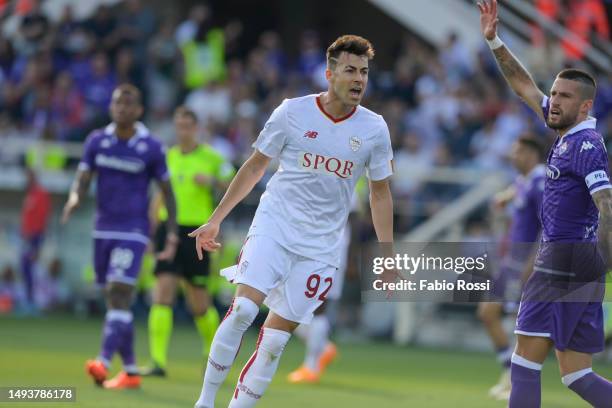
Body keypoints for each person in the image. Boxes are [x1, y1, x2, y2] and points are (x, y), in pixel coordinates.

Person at [190, 34, 394, 407]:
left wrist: (388, 253)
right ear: (330, 73)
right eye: (350, 70)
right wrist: (216, 219)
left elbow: (380, 193)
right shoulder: (292, 112)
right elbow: (255, 167)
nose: (359, 79)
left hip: (322, 246)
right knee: (244, 312)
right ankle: (205, 401)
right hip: (275, 226)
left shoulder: (374, 129)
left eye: (364, 72)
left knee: (275, 341)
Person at [478, 1, 612, 407]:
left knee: (524, 365)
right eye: (553, 93)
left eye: (564, 96)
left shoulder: (585, 145)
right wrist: (494, 40)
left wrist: (602, 259)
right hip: (581, 268)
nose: (553, 101)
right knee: (577, 374)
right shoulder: (569, 134)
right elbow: (524, 86)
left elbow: (606, 202)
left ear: (585, 106)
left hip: (561, 264)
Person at [61, 84, 178, 390]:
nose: (121, 109)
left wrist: (173, 233)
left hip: (134, 230)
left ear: (139, 110)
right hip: (103, 229)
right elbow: (83, 177)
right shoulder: (97, 140)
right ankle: (130, 371)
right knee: (116, 301)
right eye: (117, 104)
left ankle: (103, 360)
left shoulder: (151, 146)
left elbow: (168, 192)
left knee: (118, 290)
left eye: (127, 105)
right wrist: (75, 198)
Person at [141, 106, 234, 377]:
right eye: (178, 126)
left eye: (187, 126)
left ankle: (213, 352)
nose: (182, 131)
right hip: (168, 229)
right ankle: (157, 361)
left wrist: (213, 181)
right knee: (162, 293)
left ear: (196, 128)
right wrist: (151, 229)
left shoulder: (212, 158)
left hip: (197, 232)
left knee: (199, 304)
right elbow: (159, 196)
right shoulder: (167, 157)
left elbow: (235, 185)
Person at [478, 135, 545, 400]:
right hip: (511, 263)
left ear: (530, 154)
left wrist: (533, 263)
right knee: (488, 312)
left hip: (526, 264)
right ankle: (509, 374)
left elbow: (547, 226)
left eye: (517, 152)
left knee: (520, 323)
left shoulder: (541, 182)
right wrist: (504, 198)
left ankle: (518, 382)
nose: (513, 157)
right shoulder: (524, 181)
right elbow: (515, 193)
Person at [20, 168, 51, 312]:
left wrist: (37, 242)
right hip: (28, 237)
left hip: (35, 237)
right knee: (25, 268)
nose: (26, 180)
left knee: (32, 269)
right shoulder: (30, 194)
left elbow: (42, 217)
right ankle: (29, 300)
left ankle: (34, 303)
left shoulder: (41, 194)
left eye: (29, 177)